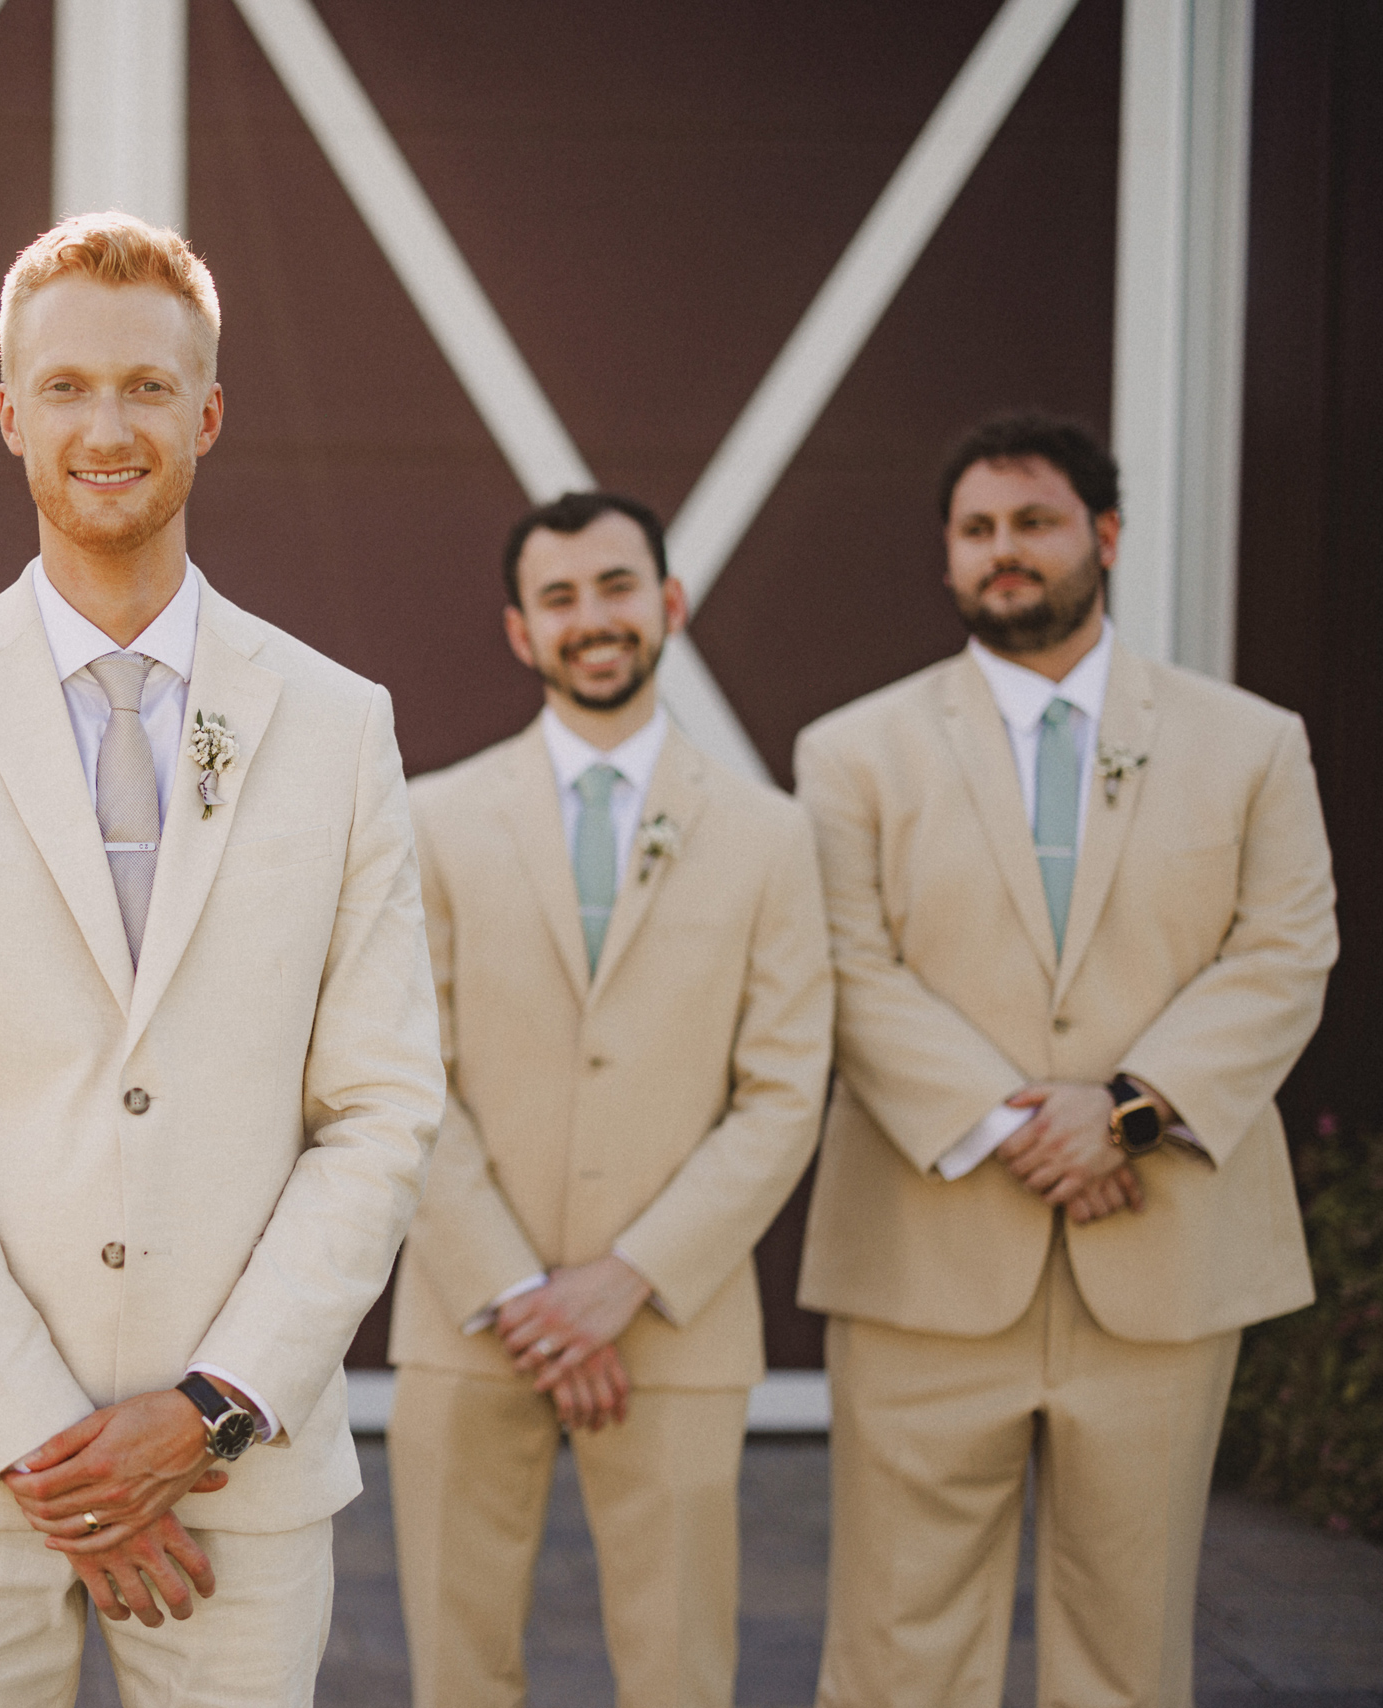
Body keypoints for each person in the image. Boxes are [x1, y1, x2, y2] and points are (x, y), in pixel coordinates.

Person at [0, 211, 444, 1707]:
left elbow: (384, 1108)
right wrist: (41, 1439)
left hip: (239, 1472)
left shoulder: (338, 723)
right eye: (68, 387)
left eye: (148, 388)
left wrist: (211, 1411)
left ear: (206, 416)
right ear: (11, 414)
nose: (108, 425)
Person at [795, 412, 1336, 1707]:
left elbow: (1284, 953)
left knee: (1128, 1650)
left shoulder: (1252, 743)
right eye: (977, 532)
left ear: (1103, 536)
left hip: (1161, 1255)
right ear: (950, 559)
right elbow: (846, 964)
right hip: (926, 1257)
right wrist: (1022, 1123)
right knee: (897, 1646)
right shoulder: (852, 750)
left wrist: (1130, 1114)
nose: (1004, 553)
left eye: (1032, 523)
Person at [387, 491, 833, 1708]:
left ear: (669, 606)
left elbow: (784, 1092)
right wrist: (519, 1292)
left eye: (618, 588)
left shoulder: (769, 834)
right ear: (521, 630)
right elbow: (397, 1076)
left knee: (680, 1668)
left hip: (673, 1324)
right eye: (561, 597)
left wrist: (622, 1278)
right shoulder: (430, 818)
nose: (594, 618)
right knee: (455, 1668)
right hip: (471, 1317)